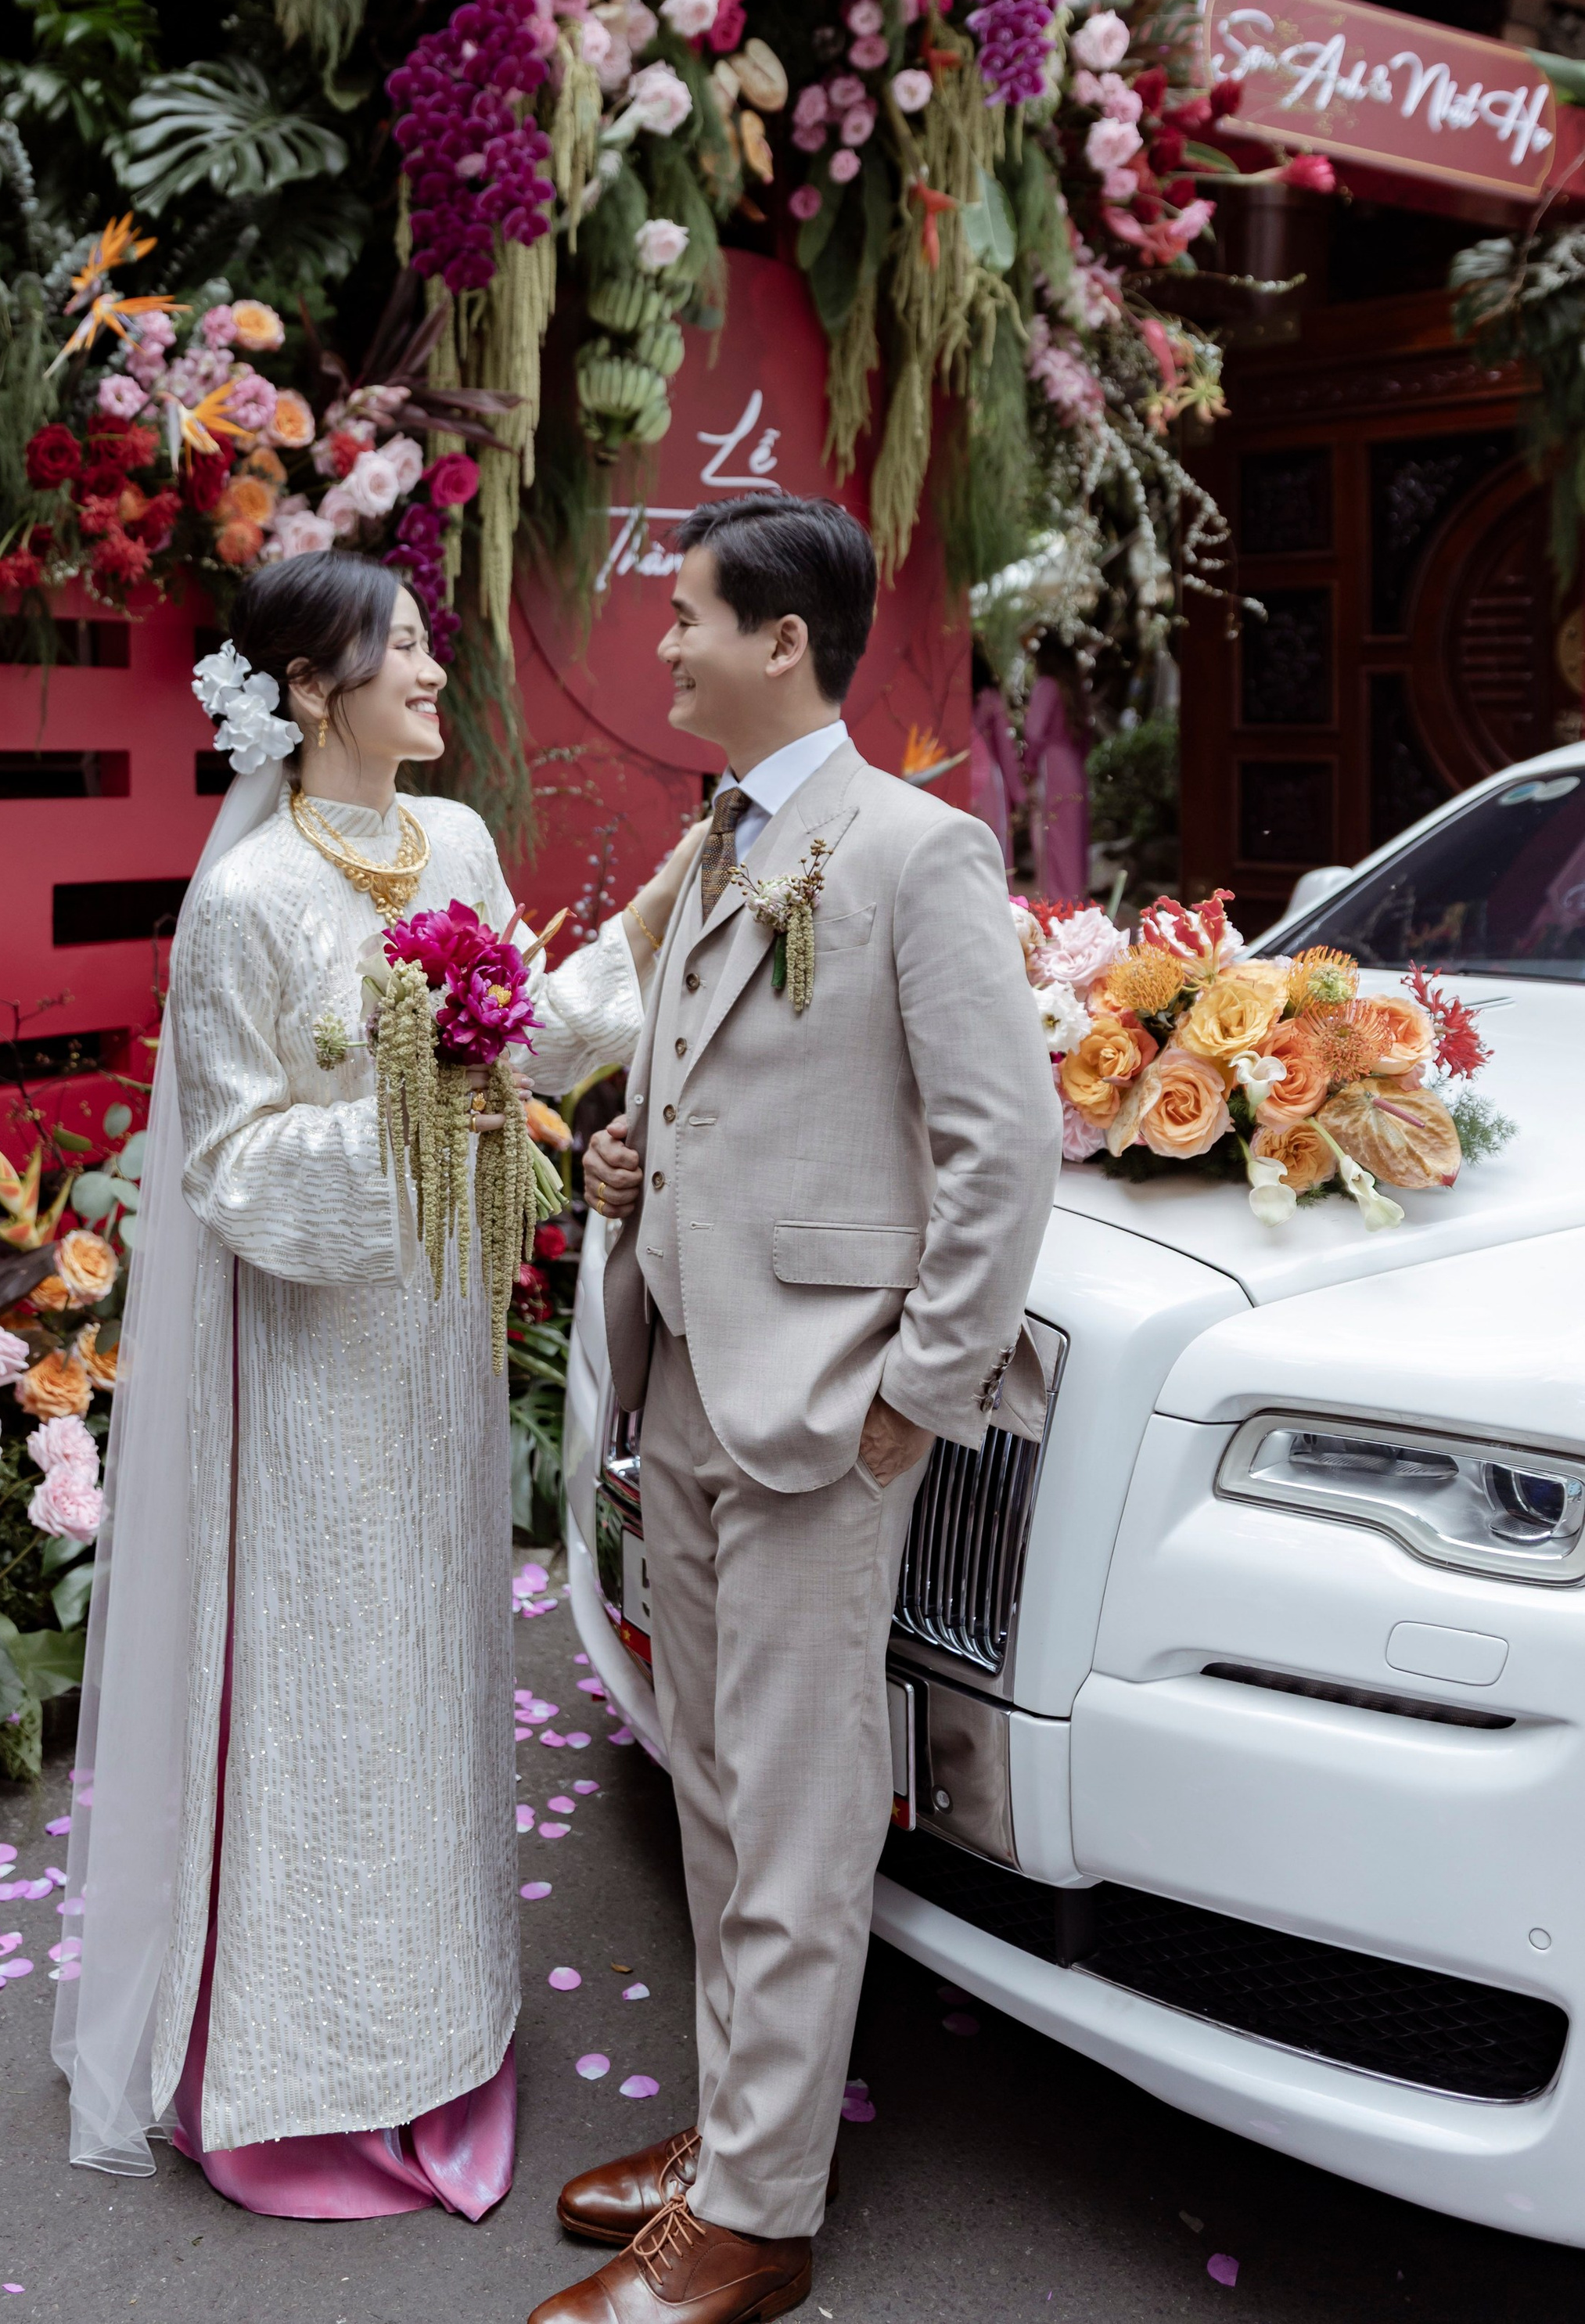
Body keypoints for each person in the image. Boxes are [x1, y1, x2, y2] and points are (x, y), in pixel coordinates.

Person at [54, 552, 703, 2222]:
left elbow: (528, 1037)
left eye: (424, 641)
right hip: (311, 1364)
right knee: (331, 1691)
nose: (432, 669)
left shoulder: (462, 843)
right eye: (400, 649)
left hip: (431, 1344)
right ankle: (306, 2076)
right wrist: (412, 1106)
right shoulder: (247, 901)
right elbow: (233, 1166)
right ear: (311, 691)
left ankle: (441, 2024)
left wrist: (634, 941)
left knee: (434, 1670)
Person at [538, 494, 1059, 2324]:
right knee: (712, 1785)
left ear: (779, 640)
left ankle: (756, 2216)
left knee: (798, 1807)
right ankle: (729, 2129)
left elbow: (1004, 1153)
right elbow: (714, 1097)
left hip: (825, 1406)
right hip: (682, 1371)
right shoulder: (716, 839)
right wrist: (627, 1157)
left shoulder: (912, 853)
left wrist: (911, 1398)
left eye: (684, 615)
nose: (660, 643)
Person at [1023, 633, 1092, 903]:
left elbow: (1033, 731)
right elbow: (1087, 736)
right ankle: (1076, 909)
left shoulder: (1046, 685)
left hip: (1051, 770)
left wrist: (1028, 768)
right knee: (1072, 846)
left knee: (1051, 844)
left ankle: (1057, 912)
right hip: (1073, 769)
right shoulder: (1074, 688)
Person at [967, 644, 1023, 867]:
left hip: (951, 774)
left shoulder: (948, 694)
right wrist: (1019, 794)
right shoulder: (990, 698)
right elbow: (1005, 748)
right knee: (993, 852)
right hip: (987, 782)